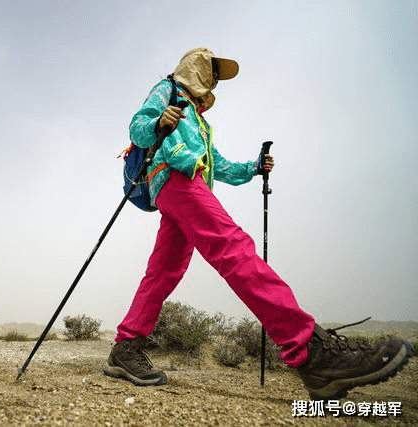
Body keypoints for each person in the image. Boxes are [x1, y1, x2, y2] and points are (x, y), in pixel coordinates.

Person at [103, 48, 413, 399]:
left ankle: (125, 348)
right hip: (174, 177)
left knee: (163, 272)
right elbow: (138, 128)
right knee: (231, 246)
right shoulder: (167, 90)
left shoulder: (201, 123)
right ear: (195, 67)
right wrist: (159, 122)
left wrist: (253, 167)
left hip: (187, 185)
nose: (215, 78)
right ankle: (308, 350)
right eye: (212, 70)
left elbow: (219, 166)